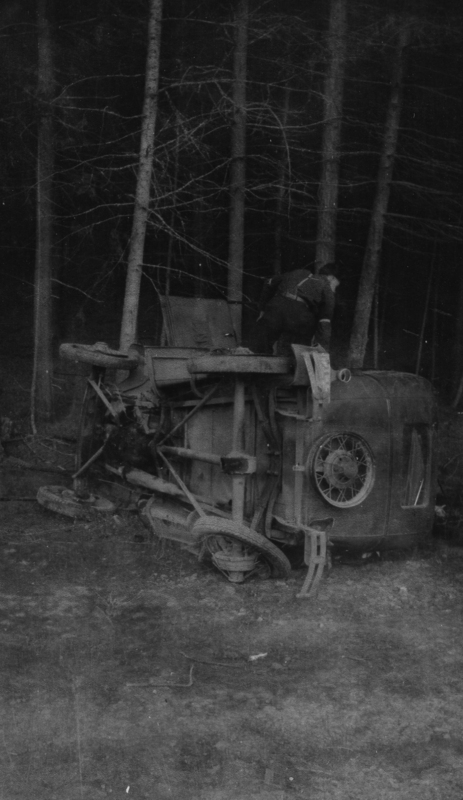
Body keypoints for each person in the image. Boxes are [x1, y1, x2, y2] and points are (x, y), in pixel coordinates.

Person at [251, 263, 340, 355]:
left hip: (275, 307)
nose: (334, 290)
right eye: (335, 286)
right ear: (331, 278)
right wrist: (323, 349)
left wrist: (262, 310)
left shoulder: (299, 272)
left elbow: (269, 282)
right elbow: (324, 322)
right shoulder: (326, 288)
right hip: (298, 316)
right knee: (298, 349)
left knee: (262, 346)